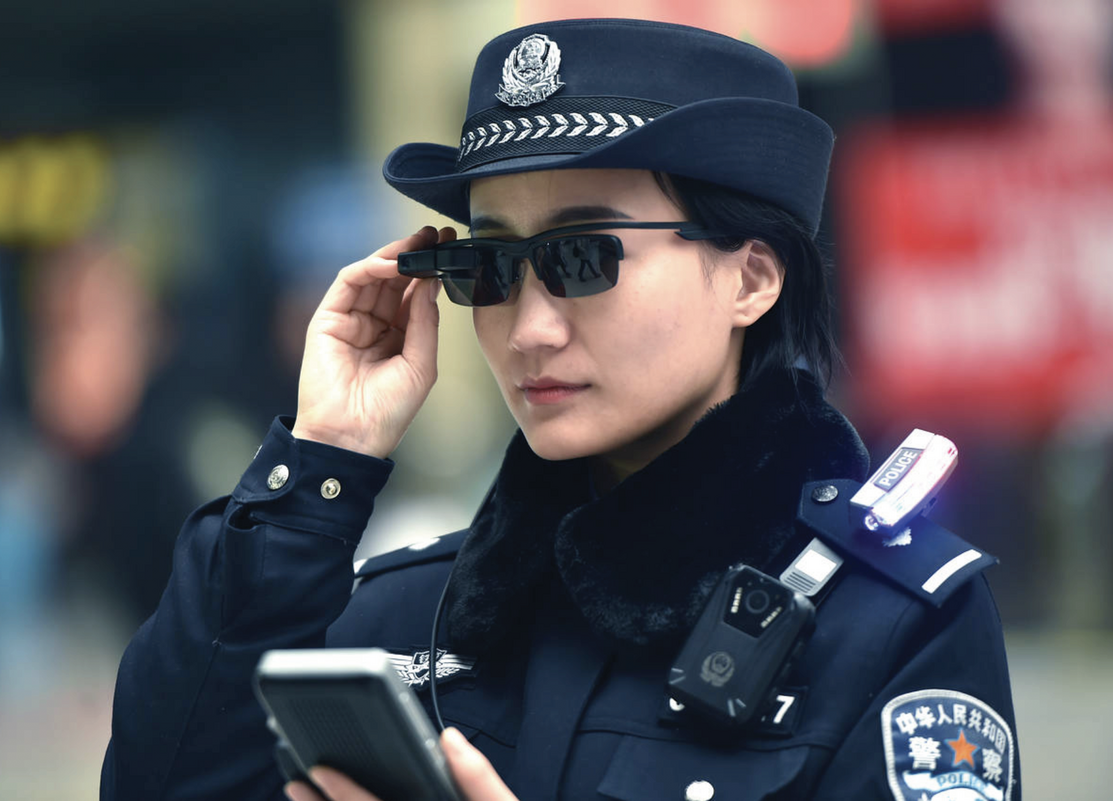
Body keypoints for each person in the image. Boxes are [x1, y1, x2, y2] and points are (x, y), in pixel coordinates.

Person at [101, 18, 1020, 801]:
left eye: (585, 258)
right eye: (491, 267)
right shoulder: (413, 612)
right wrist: (320, 464)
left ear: (751, 276)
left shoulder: (892, 624)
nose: (529, 327)